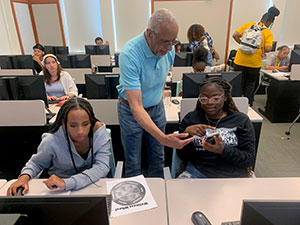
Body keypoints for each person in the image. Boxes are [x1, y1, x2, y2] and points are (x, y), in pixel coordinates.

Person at [117, 8, 193, 178]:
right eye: (165, 41)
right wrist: (164, 138)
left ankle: (159, 198)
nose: (169, 48)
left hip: (156, 108)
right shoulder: (130, 54)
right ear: (150, 33)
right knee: (134, 160)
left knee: (158, 158)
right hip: (130, 110)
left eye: (173, 42)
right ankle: (135, 202)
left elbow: (158, 77)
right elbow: (136, 106)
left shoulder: (169, 49)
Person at [7, 98, 111, 195]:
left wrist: (68, 183)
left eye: (85, 124)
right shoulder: (52, 140)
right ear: (64, 123)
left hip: (93, 186)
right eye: (73, 125)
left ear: (91, 122)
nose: (80, 131)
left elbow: (102, 166)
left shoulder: (99, 132)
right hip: (60, 190)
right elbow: (37, 163)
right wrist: (24, 177)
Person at [177, 77, 256, 178]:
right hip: (197, 172)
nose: (209, 102)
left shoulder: (241, 120)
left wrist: (222, 151)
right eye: (204, 98)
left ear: (225, 97)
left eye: (216, 98)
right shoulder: (191, 118)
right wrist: (186, 133)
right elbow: (182, 155)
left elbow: (249, 159)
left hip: (232, 175)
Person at [232, 6, 280, 106]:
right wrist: (260, 49)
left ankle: (234, 104)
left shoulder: (248, 25)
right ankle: (247, 106)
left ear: (261, 18)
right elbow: (267, 48)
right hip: (254, 63)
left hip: (240, 60)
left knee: (238, 83)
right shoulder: (267, 32)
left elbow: (235, 35)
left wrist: (242, 43)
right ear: (270, 22)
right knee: (250, 84)